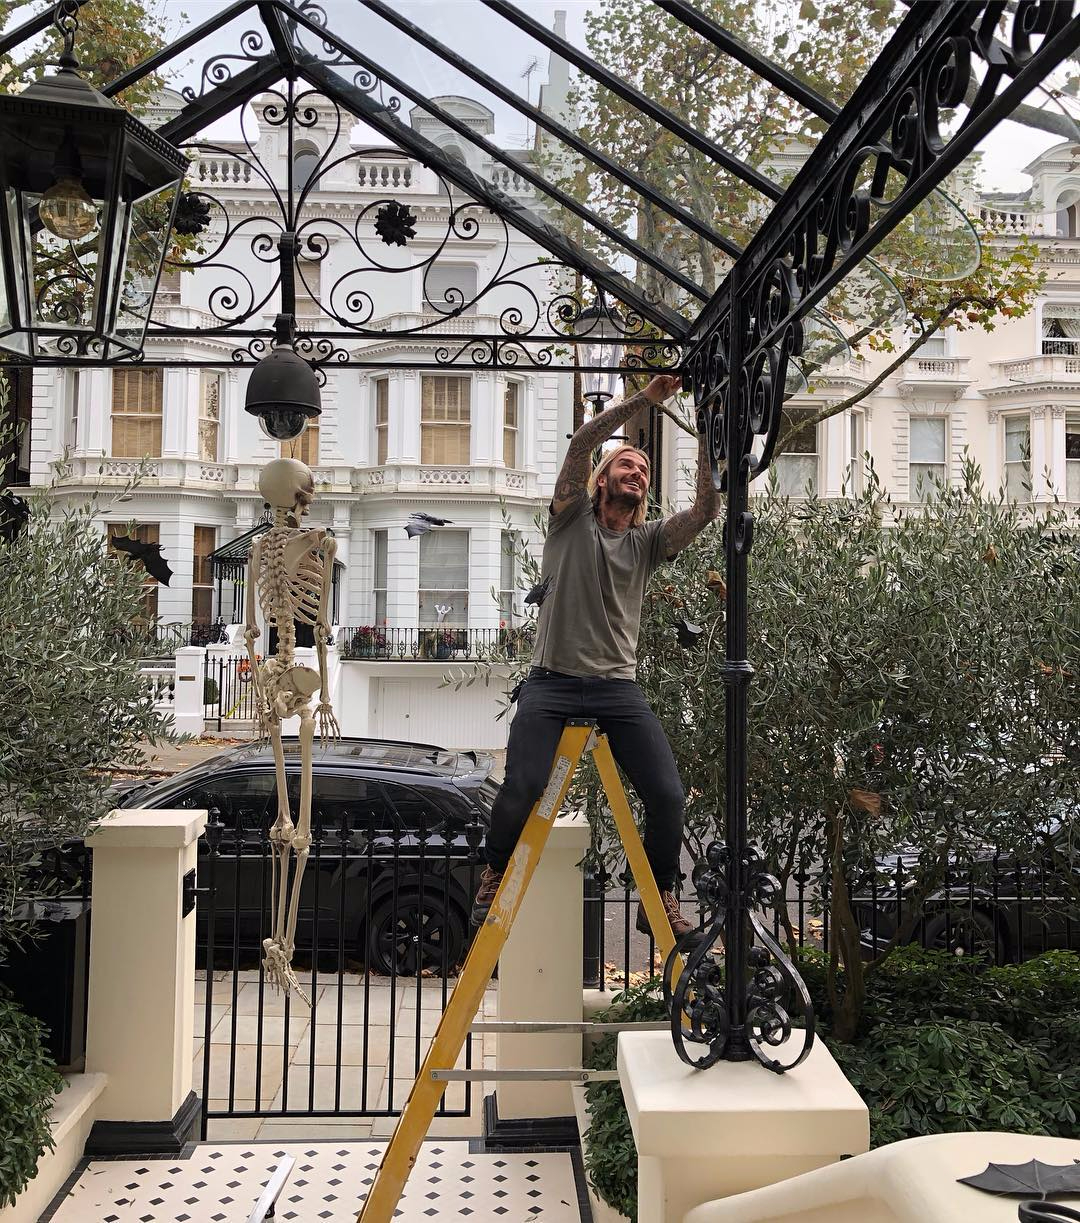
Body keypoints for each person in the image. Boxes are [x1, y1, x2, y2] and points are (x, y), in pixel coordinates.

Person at [473, 372, 720, 939]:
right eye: (626, 466)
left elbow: (706, 509)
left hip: (616, 689)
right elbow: (582, 443)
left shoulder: (648, 541)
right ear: (602, 480)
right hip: (552, 684)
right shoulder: (570, 518)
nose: (637, 473)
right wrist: (644, 402)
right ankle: (493, 873)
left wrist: (707, 425)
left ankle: (658, 897)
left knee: (667, 794)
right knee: (523, 785)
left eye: (644, 471)